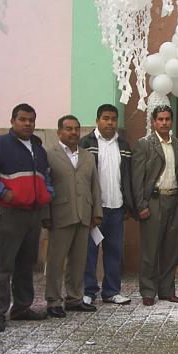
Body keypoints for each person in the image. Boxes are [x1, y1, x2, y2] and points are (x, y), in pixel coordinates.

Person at [0, 103, 53, 332]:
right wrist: (3, 192)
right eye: (23, 119)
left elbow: (45, 176)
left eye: (31, 120)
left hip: (32, 214)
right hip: (7, 214)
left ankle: (21, 308)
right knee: (3, 266)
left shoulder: (37, 148)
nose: (28, 124)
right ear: (12, 121)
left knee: (25, 265)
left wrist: (48, 194)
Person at [44, 115, 102, 317]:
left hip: (84, 214)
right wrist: (46, 214)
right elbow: (45, 185)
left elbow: (95, 186)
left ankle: (75, 298)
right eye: (68, 129)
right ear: (59, 132)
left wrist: (97, 212)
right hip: (60, 214)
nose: (73, 132)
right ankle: (53, 301)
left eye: (76, 129)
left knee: (79, 260)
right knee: (56, 261)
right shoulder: (50, 155)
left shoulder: (87, 156)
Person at [132, 105, 178, 306]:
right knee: (150, 249)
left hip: (174, 199)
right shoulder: (144, 144)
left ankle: (167, 290)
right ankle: (148, 290)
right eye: (160, 119)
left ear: (171, 121)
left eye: (167, 119)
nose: (164, 123)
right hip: (153, 201)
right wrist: (141, 205)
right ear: (153, 122)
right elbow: (137, 178)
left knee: (171, 250)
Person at [79, 104, 133, 306]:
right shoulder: (86, 143)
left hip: (117, 206)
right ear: (97, 120)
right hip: (95, 208)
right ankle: (88, 291)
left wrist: (128, 204)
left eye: (113, 119)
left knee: (114, 250)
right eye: (106, 118)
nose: (110, 122)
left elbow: (127, 177)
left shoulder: (124, 145)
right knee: (90, 251)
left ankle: (111, 291)